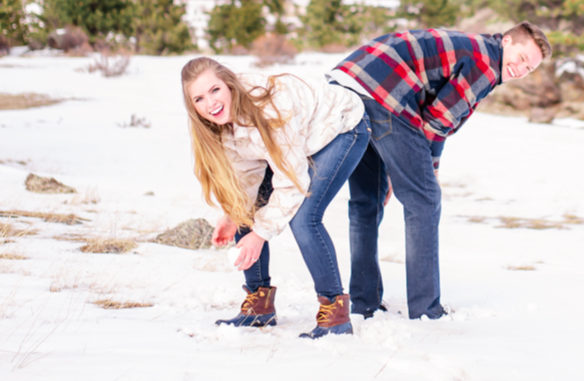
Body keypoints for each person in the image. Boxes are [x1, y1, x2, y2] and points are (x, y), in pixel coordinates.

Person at [330, 22, 551, 321]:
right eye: (522, 58)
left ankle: (364, 303)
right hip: (384, 90)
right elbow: (437, 121)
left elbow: (432, 115)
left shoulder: (474, 49)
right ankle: (426, 310)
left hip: (349, 82)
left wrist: (403, 170)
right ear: (507, 41)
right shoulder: (486, 64)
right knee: (424, 201)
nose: (522, 69)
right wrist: (428, 171)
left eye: (531, 68)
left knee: (367, 202)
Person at [181, 57, 369, 338]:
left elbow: (292, 181)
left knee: (305, 219)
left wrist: (261, 234)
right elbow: (247, 177)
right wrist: (234, 215)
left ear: (229, 84)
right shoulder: (222, 124)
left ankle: (336, 314)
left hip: (341, 126)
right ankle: (259, 306)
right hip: (300, 141)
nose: (210, 103)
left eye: (215, 90)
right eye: (199, 98)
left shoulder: (268, 108)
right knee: (246, 211)